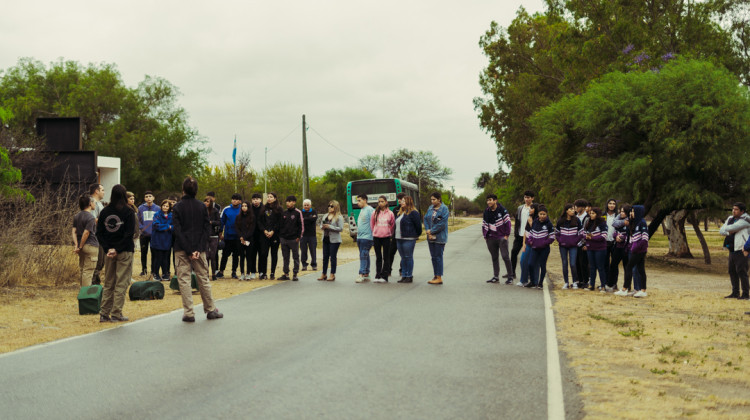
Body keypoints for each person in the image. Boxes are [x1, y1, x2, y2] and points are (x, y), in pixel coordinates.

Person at [172, 176, 223, 322]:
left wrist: (188, 250)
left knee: (184, 280)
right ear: (196, 191)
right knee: (203, 278)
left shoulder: (177, 207)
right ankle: (211, 309)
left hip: (182, 248)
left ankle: (189, 312)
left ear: (183, 190)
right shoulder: (202, 206)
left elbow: (177, 231)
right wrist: (197, 248)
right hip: (199, 249)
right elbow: (207, 229)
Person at [95, 184, 135, 323]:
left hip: (109, 253)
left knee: (109, 283)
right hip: (124, 251)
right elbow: (129, 234)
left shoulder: (105, 212)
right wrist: (117, 249)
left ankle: (104, 313)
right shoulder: (128, 212)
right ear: (124, 195)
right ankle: (116, 313)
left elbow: (99, 233)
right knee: (121, 283)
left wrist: (108, 248)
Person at [615, 205, 650, 297]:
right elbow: (630, 236)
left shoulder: (642, 223)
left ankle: (625, 289)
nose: (631, 213)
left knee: (629, 267)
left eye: (633, 211)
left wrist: (636, 248)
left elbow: (645, 238)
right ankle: (642, 290)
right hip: (635, 249)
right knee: (640, 269)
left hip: (639, 251)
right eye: (631, 211)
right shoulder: (635, 222)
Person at [720, 203, 750, 299]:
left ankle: (745, 294)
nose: (733, 211)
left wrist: (729, 229)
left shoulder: (746, 219)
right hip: (732, 248)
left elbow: (731, 228)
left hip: (741, 248)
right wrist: (729, 230)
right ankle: (735, 292)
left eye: (736, 209)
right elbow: (721, 230)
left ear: (742, 211)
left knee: (741, 271)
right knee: (732, 271)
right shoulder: (730, 218)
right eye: (733, 209)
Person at [482, 194, 513, 284]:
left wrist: (506, 235)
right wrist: (485, 235)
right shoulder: (486, 211)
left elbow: (508, 223)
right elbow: (484, 224)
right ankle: (496, 276)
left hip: (501, 237)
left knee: (505, 257)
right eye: (487, 200)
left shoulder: (502, 210)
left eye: (490, 200)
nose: (489, 202)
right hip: (491, 238)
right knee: (494, 257)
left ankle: (510, 277)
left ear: (495, 200)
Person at [72, 194, 99, 287]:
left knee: (83, 270)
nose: (95, 204)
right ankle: (86, 295)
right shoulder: (90, 217)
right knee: (88, 271)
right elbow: (86, 233)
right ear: (90, 204)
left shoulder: (76, 216)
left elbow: (74, 232)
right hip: (90, 246)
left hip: (81, 246)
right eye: (94, 202)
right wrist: (80, 246)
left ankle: (82, 291)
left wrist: (77, 245)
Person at [526, 205, 555, 289]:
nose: (542, 216)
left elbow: (552, 237)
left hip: (544, 249)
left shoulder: (549, 224)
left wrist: (544, 243)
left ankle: (540, 283)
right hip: (534, 248)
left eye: (544, 214)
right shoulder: (535, 222)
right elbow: (531, 233)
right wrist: (530, 241)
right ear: (538, 214)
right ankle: (532, 281)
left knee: (542, 265)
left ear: (546, 215)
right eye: (540, 214)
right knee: (530, 264)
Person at [424, 192, 450, 285]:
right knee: (433, 257)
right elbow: (426, 219)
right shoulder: (430, 208)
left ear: (439, 199)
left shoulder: (444, 209)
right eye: (431, 199)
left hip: (439, 237)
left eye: (434, 199)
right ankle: (435, 275)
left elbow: (442, 224)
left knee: (438, 257)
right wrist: (427, 230)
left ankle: (439, 277)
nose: (432, 201)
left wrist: (432, 231)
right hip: (430, 237)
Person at [555, 203, 582, 289]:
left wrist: (575, 241)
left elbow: (581, 233)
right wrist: (560, 241)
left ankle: (574, 282)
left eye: (573, 209)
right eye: (571, 209)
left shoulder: (577, 220)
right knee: (564, 263)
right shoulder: (560, 221)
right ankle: (566, 282)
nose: (573, 210)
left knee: (573, 264)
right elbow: (556, 233)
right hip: (563, 246)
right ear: (566, 211)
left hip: (573, 246)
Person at [396, 196, 422, 283]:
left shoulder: (414, 213)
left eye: (404, 201)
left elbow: (418, 226)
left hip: (409, 238)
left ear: (408, 202)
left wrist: (415, 235)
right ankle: (403, 275)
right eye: (401, 201)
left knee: (408, 257)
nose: (402, 202)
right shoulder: (400, 213)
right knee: (403, 257)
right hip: (399, 238)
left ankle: (409, 275)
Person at [511, 191, 535, 280]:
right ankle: (512, 273)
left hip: (529, 236)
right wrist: (516, 233)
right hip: (520, 235)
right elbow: (517, 221)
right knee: (514, 252)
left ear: (532, 198)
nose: (526, 199)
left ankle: (529, 274)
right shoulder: (520, 208)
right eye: (525, 197)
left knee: (528, 256)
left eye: (528, 197)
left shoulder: (534, 208)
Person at [318, 200, 344, 281]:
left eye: (332, 206)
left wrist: (330, 227)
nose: (329, 207)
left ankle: (332, 274)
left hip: (334, 240)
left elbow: (341, 228)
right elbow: (321, 225)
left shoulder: (339, 217)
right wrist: (322, 227)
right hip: (325, 238)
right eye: (329, 206)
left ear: (336, 207)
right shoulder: (325, 215)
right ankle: (324, 273)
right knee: (325, 257)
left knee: (332, 257)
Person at [371, 195, 395, 283]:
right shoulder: (375, 213)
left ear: (386, 202)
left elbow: (392, 225)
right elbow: (372, 224)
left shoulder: (390, 213)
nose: (380, 203)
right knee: (378, 257)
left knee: (386, 257)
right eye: (379, 202)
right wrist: (375, 232)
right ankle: (378, 275)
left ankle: (385, 276)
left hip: (386, 237)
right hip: (376, 237)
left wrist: (389, 232)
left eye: (382, 201)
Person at [607, 204, 631, 292]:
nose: (621, 213)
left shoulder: (630, 222)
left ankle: (627, 286)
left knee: (627, 267)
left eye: (624, 212)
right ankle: (611, 284)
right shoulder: (618, 220)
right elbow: (614, 231)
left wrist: (622, 238)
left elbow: (629, 234)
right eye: (621, 211)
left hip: (626, 248)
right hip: (617, 246)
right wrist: (616, 236)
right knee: (613, 265)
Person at [279, 196, 303, 281]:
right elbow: (281, 225)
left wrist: (299, 237)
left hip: (294, 239)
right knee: (285, 257)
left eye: (290, 201)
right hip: (284, 239)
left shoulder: (298, 212)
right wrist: (281, 237)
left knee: (295, 256)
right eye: (287, 201)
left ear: (294, 202)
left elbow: (301, 226)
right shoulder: (284, 213)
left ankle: (295, 273)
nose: (288, 203)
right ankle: (286, 273)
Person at [218, 193, 242, 279]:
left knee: (236, 255)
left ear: (240, 201)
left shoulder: (242, 209)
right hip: (227, 236)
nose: (234, 200)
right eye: (233, 199)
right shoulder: (226, 209)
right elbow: (222, 221)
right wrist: (221, 233)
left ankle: (234, 272)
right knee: (225, 255)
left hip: (238, 237)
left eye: (236, 199)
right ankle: (221, 271)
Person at [583, 207, 608, 291]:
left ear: (597, 214)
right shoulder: (588, 222)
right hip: (590, 248)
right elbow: (583, 233)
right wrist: (586, 237)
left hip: (600, 248)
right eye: (590, 213)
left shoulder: (602, 223)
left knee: (600, 267)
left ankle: (603, 286)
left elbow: (604, 236)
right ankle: (591, 285)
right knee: (592, 267)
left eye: (593, 213)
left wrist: (592, 238)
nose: (591, 215)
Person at [259, 192, 283, 280]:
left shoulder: (279, 209)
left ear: (275, 198)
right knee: (264, 253)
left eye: (271, 197)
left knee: (274, 254)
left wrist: (273, 231)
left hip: (275, 235)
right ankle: (264, 273)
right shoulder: (263, 208)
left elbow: (280, 222)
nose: (269, 198)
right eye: (268, 197)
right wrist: (264, 230)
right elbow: (260, 221)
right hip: (264, 235)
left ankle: (272, 272)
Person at [150, 199, 173, 281]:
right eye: (164, 205)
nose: (165, 207)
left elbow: (175, 226)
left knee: (166, 258)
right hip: (157, 240)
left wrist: (169, 227)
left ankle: (165, 273)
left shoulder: (172, 215)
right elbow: (156, 225)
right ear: (161, 206)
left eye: (167, 206)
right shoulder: (157, 214)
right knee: (158, 258)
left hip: (167, 240)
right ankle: (155, 273)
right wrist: (168, 227)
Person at [137, 191, 158, 276]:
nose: (148, 198)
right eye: (146, 196)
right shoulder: (141, 208)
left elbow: (158, 220)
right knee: (143, 252)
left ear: (153, 198)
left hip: (154, 234)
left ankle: (153, 270)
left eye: (150, 196)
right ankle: (144, 270)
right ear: (144, 198)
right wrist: (142, 229)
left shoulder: (158, 208)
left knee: (154, 253)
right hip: (144, 235)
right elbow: (138, 221)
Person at [517, 203, 539, 286]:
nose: (530, 209)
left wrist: (531, 223)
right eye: (530, 208)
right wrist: (523, 244)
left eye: (532, 208)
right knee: (523, 261)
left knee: (535, 263)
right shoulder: (529, 218)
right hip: (528, 243)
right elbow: (525, 232)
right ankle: (523, 280)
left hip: (536, 244)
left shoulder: (538, 219)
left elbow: (537, 231)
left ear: (535, 209)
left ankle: (535, 282)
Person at [355, 194, 375, 283]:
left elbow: (374, 221)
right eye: (357, 201)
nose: (358, 203)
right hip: (360, 236)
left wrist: (373, 235)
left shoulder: (370, 210)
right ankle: (366, 272)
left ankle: (361, 274)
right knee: (364, 255)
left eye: (359, 200)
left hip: (367, 237)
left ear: (365, 200)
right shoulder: (362, 210)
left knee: (363, 254)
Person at [89, 183, 106, 285]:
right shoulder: (92, 202)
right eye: (102, 190)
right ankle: (93, 285)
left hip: (101, 237)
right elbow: (92, 219)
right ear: (96, 191)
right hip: (95, 237)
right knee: (97, 262)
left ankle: (96, 283)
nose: (104, 192)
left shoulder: (99, 203)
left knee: (101, 262)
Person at [235, 201, 256, 281]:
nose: (244, 207)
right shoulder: (238, 217)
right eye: (242, 206)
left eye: (245, 206)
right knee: (242, 257)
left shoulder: (252, 217)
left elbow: (252, 229)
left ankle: (248, 273)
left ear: (248, 207)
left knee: (249, 257)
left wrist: (245, 237)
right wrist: (241, 237)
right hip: (240, 240)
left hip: (249, 239)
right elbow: (236, 228)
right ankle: (242, 273)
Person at [387, 192, 407, 276]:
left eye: (401, 199)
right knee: (390, 253)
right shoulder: (395, 209)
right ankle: (388, 270)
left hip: (405, 235)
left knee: (403, 254)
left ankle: (402, 270)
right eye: (398, 199)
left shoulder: (409, 209)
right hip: (395, 235)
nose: (399, 201)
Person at [247, 193, 265, 279]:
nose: (255, 200)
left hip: (262, 234)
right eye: (254, 199)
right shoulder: (249, 209)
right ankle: (253, 271)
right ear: (252, 200)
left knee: (262, 253)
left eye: (257, 199)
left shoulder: (264, 208)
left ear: (260, 200)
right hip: (252, 234)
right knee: (252, 254)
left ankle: (261, 271)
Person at [574, 199, 590, 289]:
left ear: (583, 208)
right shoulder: (575, 216)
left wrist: (585, 244)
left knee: (583, 262)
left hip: (583, 243)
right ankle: (579, 280)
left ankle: (585, 281)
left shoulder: (587, 217)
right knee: (576, 262)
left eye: (577, 207)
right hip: (575, 243)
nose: (576, 208)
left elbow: (588, 230)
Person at [204, 197, 221, 280]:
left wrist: (211, 222)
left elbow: (219, 222)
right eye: (205, 201)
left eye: (207, 201)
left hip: (213, 236)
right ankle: (206, 273)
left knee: (213, 256)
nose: (206, 203)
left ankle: (213, 274)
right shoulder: (202, 211)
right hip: (204, 236)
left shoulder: (215, 211)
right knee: (206, 256)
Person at [300, 199, 318, 272]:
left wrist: (304, 219)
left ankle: (314, 265)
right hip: (303, 235)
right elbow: (300, 221)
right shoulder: (300, 212)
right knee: (303, 251)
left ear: (310, 205)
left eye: (307, 205)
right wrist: (310, 218)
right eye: (305, 205)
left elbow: (314, 219)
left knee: (313, 251)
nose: (306, 206)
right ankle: (304, 265)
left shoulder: (314, 211)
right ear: (303, 205)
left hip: (312, 235)